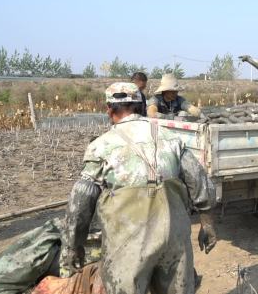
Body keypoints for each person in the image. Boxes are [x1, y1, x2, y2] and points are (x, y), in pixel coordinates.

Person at [61, 82, 217, 294]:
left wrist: (73, 247)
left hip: (127, 244)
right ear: (140, 105)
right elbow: (200, 181)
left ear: (109, 109)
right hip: (174, 238)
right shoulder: (171, 138)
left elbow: (80, 203)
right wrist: (207, 223)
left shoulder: (102, 146)